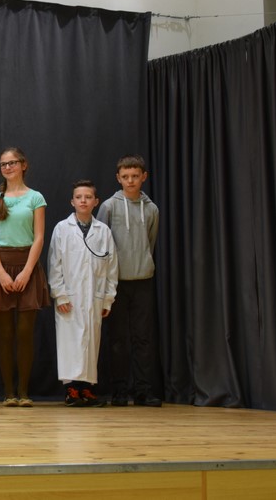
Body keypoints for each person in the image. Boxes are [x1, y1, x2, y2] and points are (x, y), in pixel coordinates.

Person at [0, 147, 49, 407]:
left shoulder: (36, 197)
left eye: (12, 163)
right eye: (3, 164)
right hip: (2, 266)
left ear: (24, 165)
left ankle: (24, 391)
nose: (8, 167)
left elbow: (39, 237)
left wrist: (27, 271)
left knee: (25, 332)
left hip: (27, 266)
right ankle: (8, 392)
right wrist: (0, 272)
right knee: (5, 332)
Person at [97, 155, 162, 407]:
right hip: (117, 283)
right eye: (125, 177)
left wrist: (143, 262)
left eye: (135, 176)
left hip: (142, 280)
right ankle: (119, 391)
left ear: (144, 177)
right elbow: (100, 242)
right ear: (118, 178)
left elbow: (150, 241)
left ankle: (143, 390)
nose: (131, 181)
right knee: (118, 338)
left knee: (143, 337)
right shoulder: (109, 207)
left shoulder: (151, 209)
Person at [48, 180, 119, 407]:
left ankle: (87, 388)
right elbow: (55, 264)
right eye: (79, 197)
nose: (83, 201)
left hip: (94, 297)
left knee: (90, 342)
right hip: (69, 296)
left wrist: (107, 298)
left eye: (88, 197)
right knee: (70, 343)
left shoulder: (103, 231)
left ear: (96, 201)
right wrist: (60, 294)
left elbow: (111, 267)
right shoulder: (62, 229)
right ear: (72, 201)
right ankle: (71, 389)